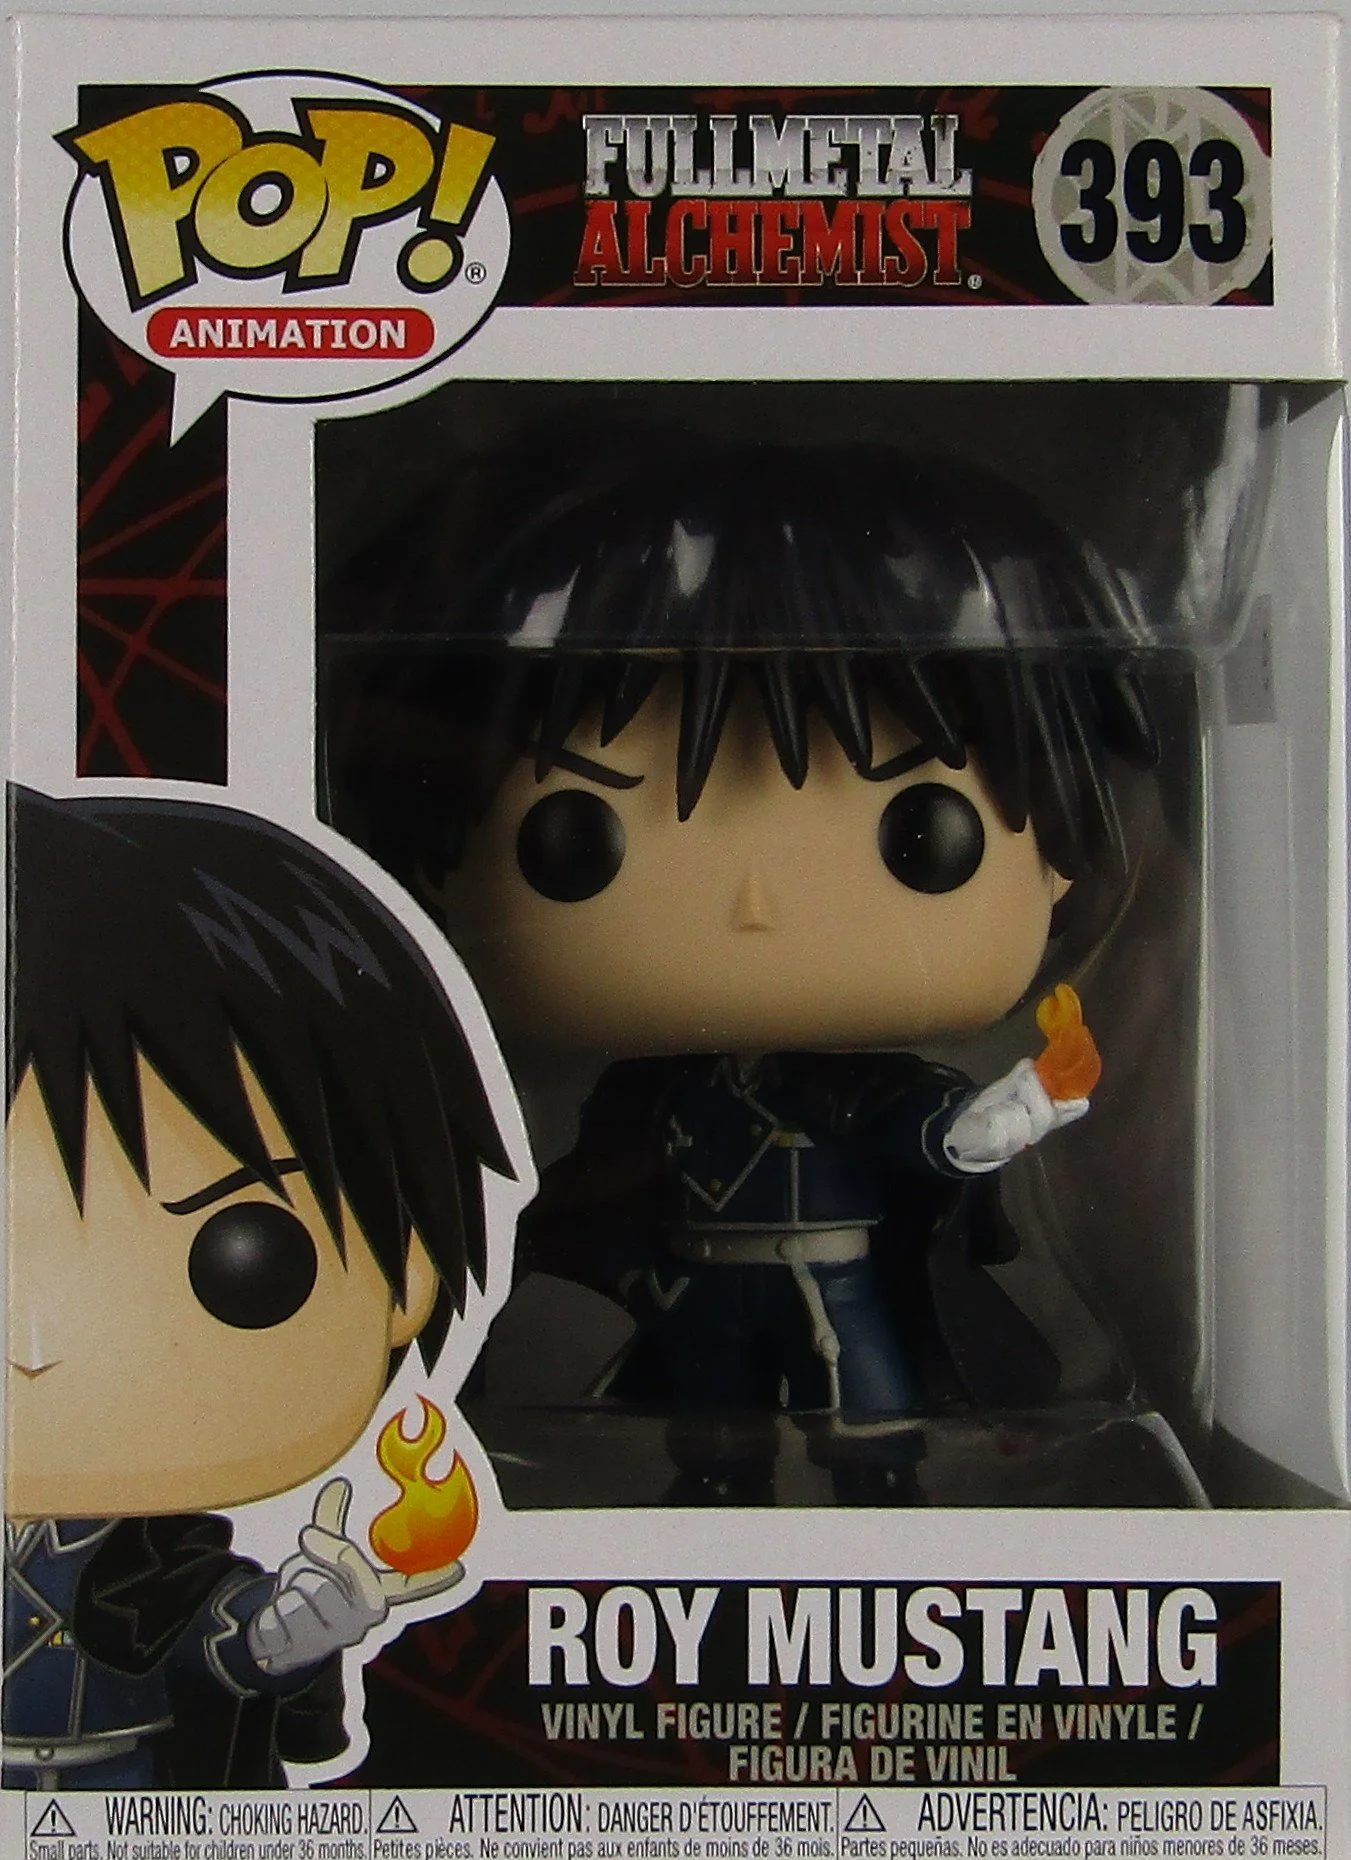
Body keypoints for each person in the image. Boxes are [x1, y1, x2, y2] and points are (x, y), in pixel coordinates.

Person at [322, 440, 1161, 1504]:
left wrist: (1020, 1106)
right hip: (705, 1284)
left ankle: (878, 1509)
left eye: (921, 833)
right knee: (708, 1441)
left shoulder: (858, 1089)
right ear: (432, 863)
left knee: (873, 1427)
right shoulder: (650, 1102)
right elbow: (575, 1195)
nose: (754, 902)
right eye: (577, 835)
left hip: (839, 1279)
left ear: (1061, 857)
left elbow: (934, 1138)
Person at [5, 785, 513, 1785]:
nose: (33, 1347)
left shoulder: (160, 1568)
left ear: (403, 1274)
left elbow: (226, 1634)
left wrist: (290, 1634)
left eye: (237, 1253)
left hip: (130, 1798)